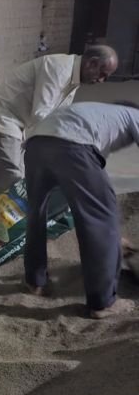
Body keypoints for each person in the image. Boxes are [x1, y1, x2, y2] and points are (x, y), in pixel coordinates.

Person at [23, 101, 139, 319]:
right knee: (101, 219)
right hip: (72, 146)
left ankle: (35, 280)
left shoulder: (98, 115)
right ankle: (103, 303)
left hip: (35, 145)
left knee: (36, 212)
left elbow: (83, 184)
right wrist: (109, 233)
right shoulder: (133, 114)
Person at [0, 45, 118, 198]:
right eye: (102, 74)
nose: (101, 80)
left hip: (20, 121)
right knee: (11, 184)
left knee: (22, 181)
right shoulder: (58, 69)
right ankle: (5, 213)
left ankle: (14, 211)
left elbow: (59, 116)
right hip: (3, 117)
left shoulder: (74, 76)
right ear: (91, 63)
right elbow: (40, 114)